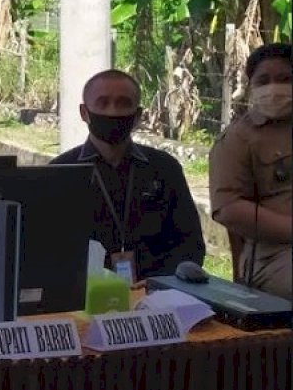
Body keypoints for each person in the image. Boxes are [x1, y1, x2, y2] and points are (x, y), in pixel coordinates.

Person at [51, 69, 205, 283]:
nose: (113, 112)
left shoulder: (164, 168)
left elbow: (190, 244)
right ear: (84, 113)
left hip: (156, 296)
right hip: (83, 298)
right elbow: (48, 251)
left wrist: (155, 286)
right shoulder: (60, 171)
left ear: (138, 115)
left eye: (123, 103)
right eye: (103, 103)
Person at [208, 43, 291, 300]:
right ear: (251, 86)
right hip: (271, 255)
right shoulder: (238, 139)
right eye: (264, 80)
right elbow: (230, 209)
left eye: (285, 79)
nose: (274, 88)